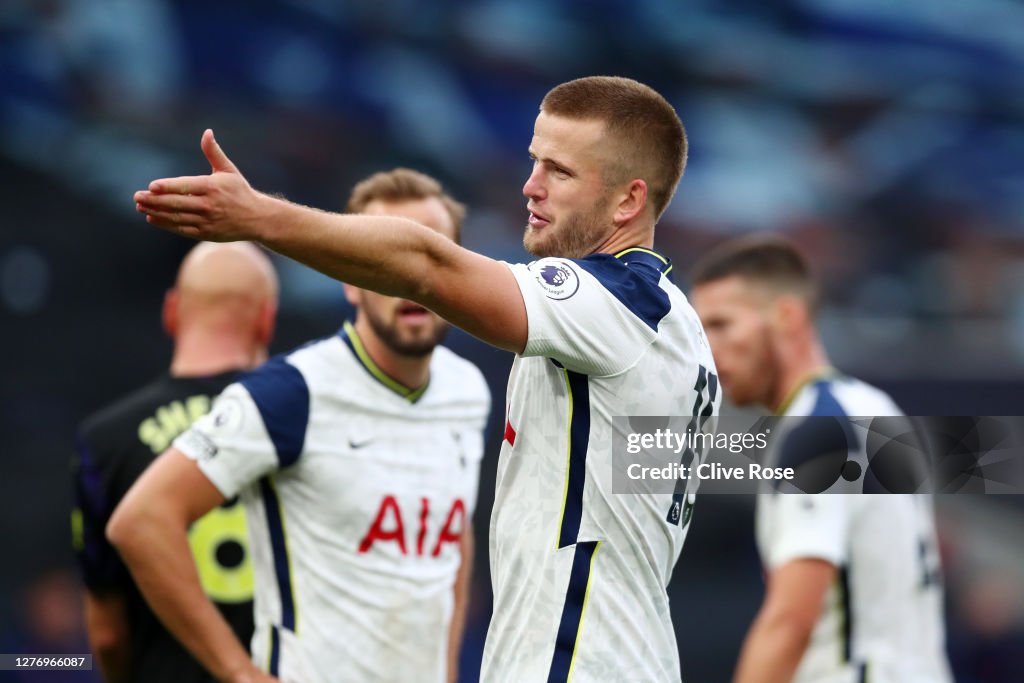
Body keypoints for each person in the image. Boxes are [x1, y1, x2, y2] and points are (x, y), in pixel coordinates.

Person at [132, 75, 720, 682]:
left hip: (574, 664)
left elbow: (425, 266)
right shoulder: (678, 329)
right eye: (533, 161)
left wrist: (261, 218)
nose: (531, 186)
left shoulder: (615, 305)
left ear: (628, 202)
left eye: (560, 172)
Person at [110, 168, 491, 683]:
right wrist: (239, 673)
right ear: (349, 280)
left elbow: (454, 536)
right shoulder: (292, 392)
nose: (410, 279)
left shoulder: (469, 389)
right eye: (385, 259)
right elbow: (141, 521)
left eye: (427, 258)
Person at [688, 235, 953, 683]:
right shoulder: (870, 405)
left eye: (721, 325)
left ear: (787, 316)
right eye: (700, 331)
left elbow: (789, 621)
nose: (707, 350)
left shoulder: (817, 431)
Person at [72, 242, 279, 683]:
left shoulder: (104, 440)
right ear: (266, 318)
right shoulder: (296, 421)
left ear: (172, 311)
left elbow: (107, 635)